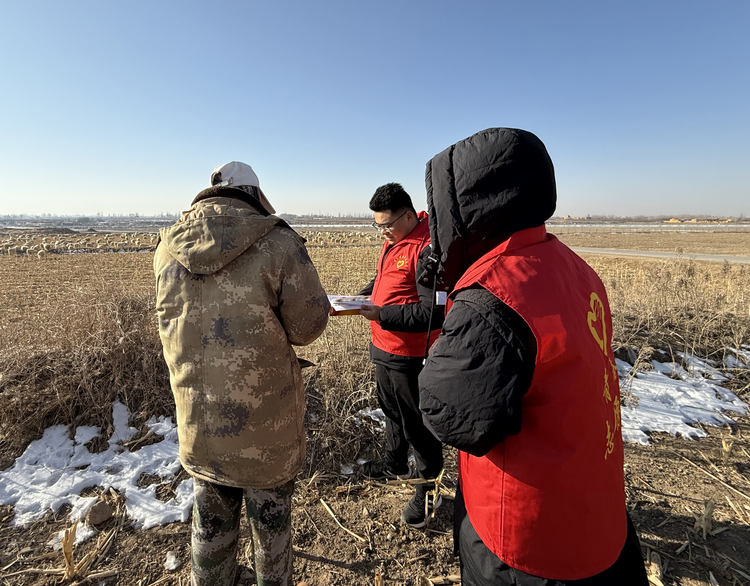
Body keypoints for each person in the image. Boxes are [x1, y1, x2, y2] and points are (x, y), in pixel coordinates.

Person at [417, 128, 649, 585]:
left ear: (466, 206)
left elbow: (452, 416)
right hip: (595, 511)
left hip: (528, 536)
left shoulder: (492, 294)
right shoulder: (574, 268)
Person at [154, 161, 330, 586]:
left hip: (199, 423)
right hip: (264, 429)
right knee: (271, 531)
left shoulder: (166, 246)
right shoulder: (278, 243)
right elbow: (309, 326)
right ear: (254, 194)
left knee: (210, 526)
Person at [357, 182, 445, 528]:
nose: (382, 232)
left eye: (386, 225)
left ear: (409, 215)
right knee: (391, 411)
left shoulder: (427, 250)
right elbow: (386, 281)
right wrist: (360, 297)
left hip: (410, 355)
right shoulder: (395, 240)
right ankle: (394, 463)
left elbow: (431, 314)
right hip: (383, 347)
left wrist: (381, 314)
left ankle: (428, 487)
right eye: (377, 225)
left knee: (417, 425)